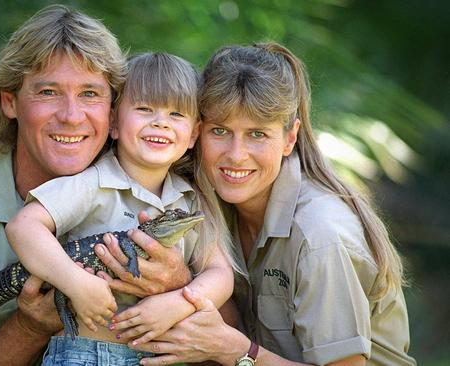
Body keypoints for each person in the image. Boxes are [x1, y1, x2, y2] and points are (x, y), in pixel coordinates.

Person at [0, 5, 193, 365]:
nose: (71, 116)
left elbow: (235, 330)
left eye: (90, 94)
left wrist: (179, 283)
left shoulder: (161, 185)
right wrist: (29, 329)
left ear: (114, 111)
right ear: (10, 102)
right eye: (48, 92)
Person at [126, 42, 416, 365]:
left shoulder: (321, 237)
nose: (236, 155)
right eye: (220, 131)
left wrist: (238, 353)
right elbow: (227, 327)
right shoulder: (205, 205)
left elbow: (229, 344)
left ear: (290, 138)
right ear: (198, 132)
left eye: (257, 135)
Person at [6, 52, 234, 365]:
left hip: (156, 357)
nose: (160, 122)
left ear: (193, 134)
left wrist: (180, 303)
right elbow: (24, 227)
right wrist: (77, 283)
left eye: (176, 114)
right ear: (114, 123)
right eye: (144, 109)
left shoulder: (190, 200)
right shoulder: (92, 183)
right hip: (85, 354)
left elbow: (219, 273)